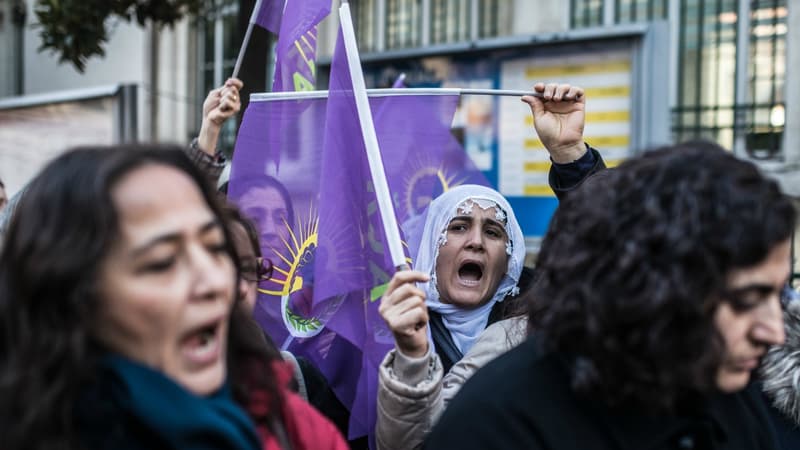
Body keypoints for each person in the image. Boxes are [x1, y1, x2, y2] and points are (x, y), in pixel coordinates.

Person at [426, 141, 795, 450]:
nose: (774, 332)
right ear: (656, 283)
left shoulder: (740, 403)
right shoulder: (500, 424)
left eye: (778, 297)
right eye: (748, 299)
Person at [0, 145, 347, 450]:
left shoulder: (288, 420)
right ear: (71, 296)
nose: (216, 281)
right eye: (163, 262)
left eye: (215, 249)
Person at [375, 82, 604, 450]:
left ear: (509, 260)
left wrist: (570, 154)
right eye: (459, 226)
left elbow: (609, 250)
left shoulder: (544, 319)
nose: (477, 242)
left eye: (494, 231)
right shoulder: (392, 324)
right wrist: (411, 357)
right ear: (431, 246)